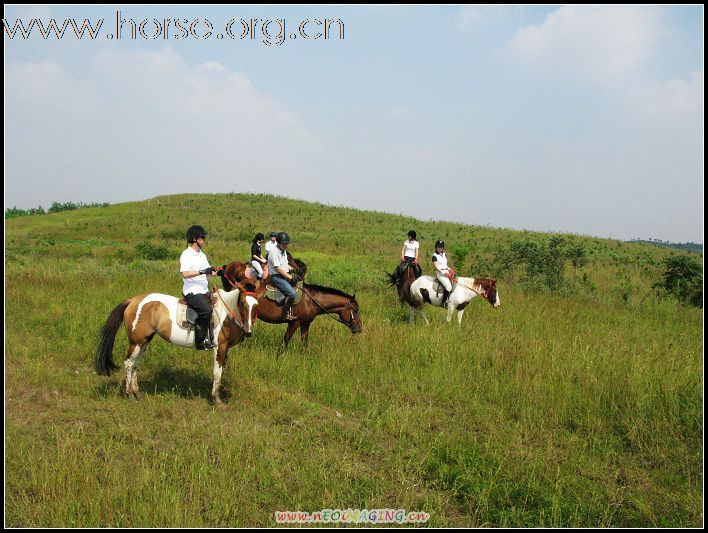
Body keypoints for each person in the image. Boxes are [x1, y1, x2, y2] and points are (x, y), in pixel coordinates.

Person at [180, 225, 218, 350]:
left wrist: (220, 272)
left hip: (203, 290)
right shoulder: (186, 254)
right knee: (206, 310)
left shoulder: (202, 254)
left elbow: (209, 271)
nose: (204, 240)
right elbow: (185, 274)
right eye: (203, 237)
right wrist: (202, 271)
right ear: (195, 239)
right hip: (192, 292)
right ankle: (200, 342)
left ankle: (213, 336)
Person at [267, 231, 299, 321]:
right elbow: (278, 269)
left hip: (283, 276)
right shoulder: (274, 252)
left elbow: (284, 265)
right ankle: (286, 314)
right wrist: (290, 277)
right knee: (292, 293)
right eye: (284, 244)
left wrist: (293, 269)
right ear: (278, 243)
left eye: (286, 244)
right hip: (276, 277)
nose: (286, 245)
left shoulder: (283, 251)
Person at [432, 239, 454, 306]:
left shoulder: (444, 254)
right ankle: (443, 302)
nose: (439, 248)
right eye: (438, 247)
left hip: (447, 271)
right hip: (440, 274)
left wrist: (449, 269)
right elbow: (436, 267)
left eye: (441, 247)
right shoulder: (434, 256)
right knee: (449, 287)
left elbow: (445, 264)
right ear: (436, 247)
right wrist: (444, 272)